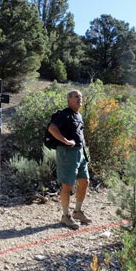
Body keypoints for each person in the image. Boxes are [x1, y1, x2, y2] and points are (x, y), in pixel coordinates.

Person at [48, 90, 92, 229]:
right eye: (76, 97)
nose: (80, 98)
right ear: (69, 100)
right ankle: (65, 216)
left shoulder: (78, 115)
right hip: (67, 153)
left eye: (81, 96)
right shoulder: (64, 114)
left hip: (80, 153)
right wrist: (65, 141)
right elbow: (52, 128)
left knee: (85, 181)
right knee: (67, 185)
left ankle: (78, 211)